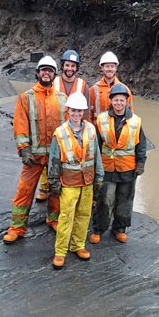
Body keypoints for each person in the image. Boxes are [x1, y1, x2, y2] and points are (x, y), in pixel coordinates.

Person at [3, 55, 67, 244]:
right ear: (37, 73)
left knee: (56, 190)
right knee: (25, 190)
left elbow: (67, 128)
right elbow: (20, 125)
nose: (46, 73)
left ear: (54, 74)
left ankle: (54, 219)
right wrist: (24, 149)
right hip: (34, 157)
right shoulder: (26, 98)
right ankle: (17, 227)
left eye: (50, 70)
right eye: (43, 70)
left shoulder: (63, 99)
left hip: (55, 156)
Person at [47, 92, 103, 269]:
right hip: (69, 183)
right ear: (68, 111)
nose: (76, 114)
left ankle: (78, 245)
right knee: (66, 217)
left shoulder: (91, 130)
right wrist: (53, 181)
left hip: (87, 181)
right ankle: (60, 252)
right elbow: (54, 160)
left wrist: (99, 177)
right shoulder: (60, 133)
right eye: (73, 110)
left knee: (84, 215)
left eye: (79, 111)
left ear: (83, 112)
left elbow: (97, 157)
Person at [90, 83, 146, 244]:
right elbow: (97, 145)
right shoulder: (102, 120)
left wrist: (141, 164)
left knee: (125, 201)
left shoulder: (136, 121)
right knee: (104, 200)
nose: (119, 103)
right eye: (116, 100)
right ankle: (98, 229)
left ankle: (119, 229)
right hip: (107, 168)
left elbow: (141, 145)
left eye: (122, 100)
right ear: (111, 102)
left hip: (128, 168)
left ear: (127, 102)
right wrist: (95, 166)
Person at [35, 49, 90, 202]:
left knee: (68, 159)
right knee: (49, 157)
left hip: (74, 127)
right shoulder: (54, 81)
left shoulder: (82, 85)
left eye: (73, 66)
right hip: (55, 125)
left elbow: (86, 110)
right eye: (67, 65)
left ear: (77, 68)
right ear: (62, 66)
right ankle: (44, 188)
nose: (70, 69)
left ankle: (67, 186)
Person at [89, 51, 134, 123]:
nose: (109, 69)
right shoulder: (93, 90)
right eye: (107, 66)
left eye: (112, 66)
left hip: (118, 131)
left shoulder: (125, 90)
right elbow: (89, 115)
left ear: (116, 68)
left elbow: (130, 114)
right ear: (102, 68)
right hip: (98, 131)